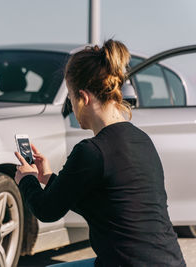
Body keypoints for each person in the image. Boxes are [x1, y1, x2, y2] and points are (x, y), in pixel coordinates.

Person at [14, 39, 186, 266]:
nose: (72, 108)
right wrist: (48, 179)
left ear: (84, 98)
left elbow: (47, 211)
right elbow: (105, 205)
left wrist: (26, 179)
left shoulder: (91, 151)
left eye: (71, 99)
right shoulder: (142, 140)